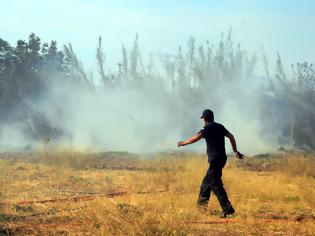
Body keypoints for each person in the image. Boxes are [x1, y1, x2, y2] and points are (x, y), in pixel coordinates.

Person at [177, 109, 243, 218]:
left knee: (214, 184)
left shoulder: (206, 128)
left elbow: (197, 137)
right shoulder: (220, 126)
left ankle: (227, 209)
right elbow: (231, 136)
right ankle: (202, 209)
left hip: (215, 159)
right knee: (208, 183)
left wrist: (184, 143)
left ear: (204, 119)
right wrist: (235, 150)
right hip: (222, 158)